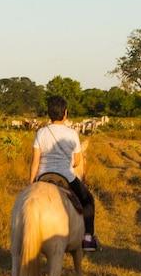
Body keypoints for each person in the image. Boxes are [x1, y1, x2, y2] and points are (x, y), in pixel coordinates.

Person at [30, 94, 98, 252]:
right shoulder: (72, 134)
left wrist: (31, 183)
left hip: (42, 176)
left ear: (49, 114)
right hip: (65, 176)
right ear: (65, 113)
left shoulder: (41, 133)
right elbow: (76, 162)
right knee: (88, 200)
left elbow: (35, 162)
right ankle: (88, 238)